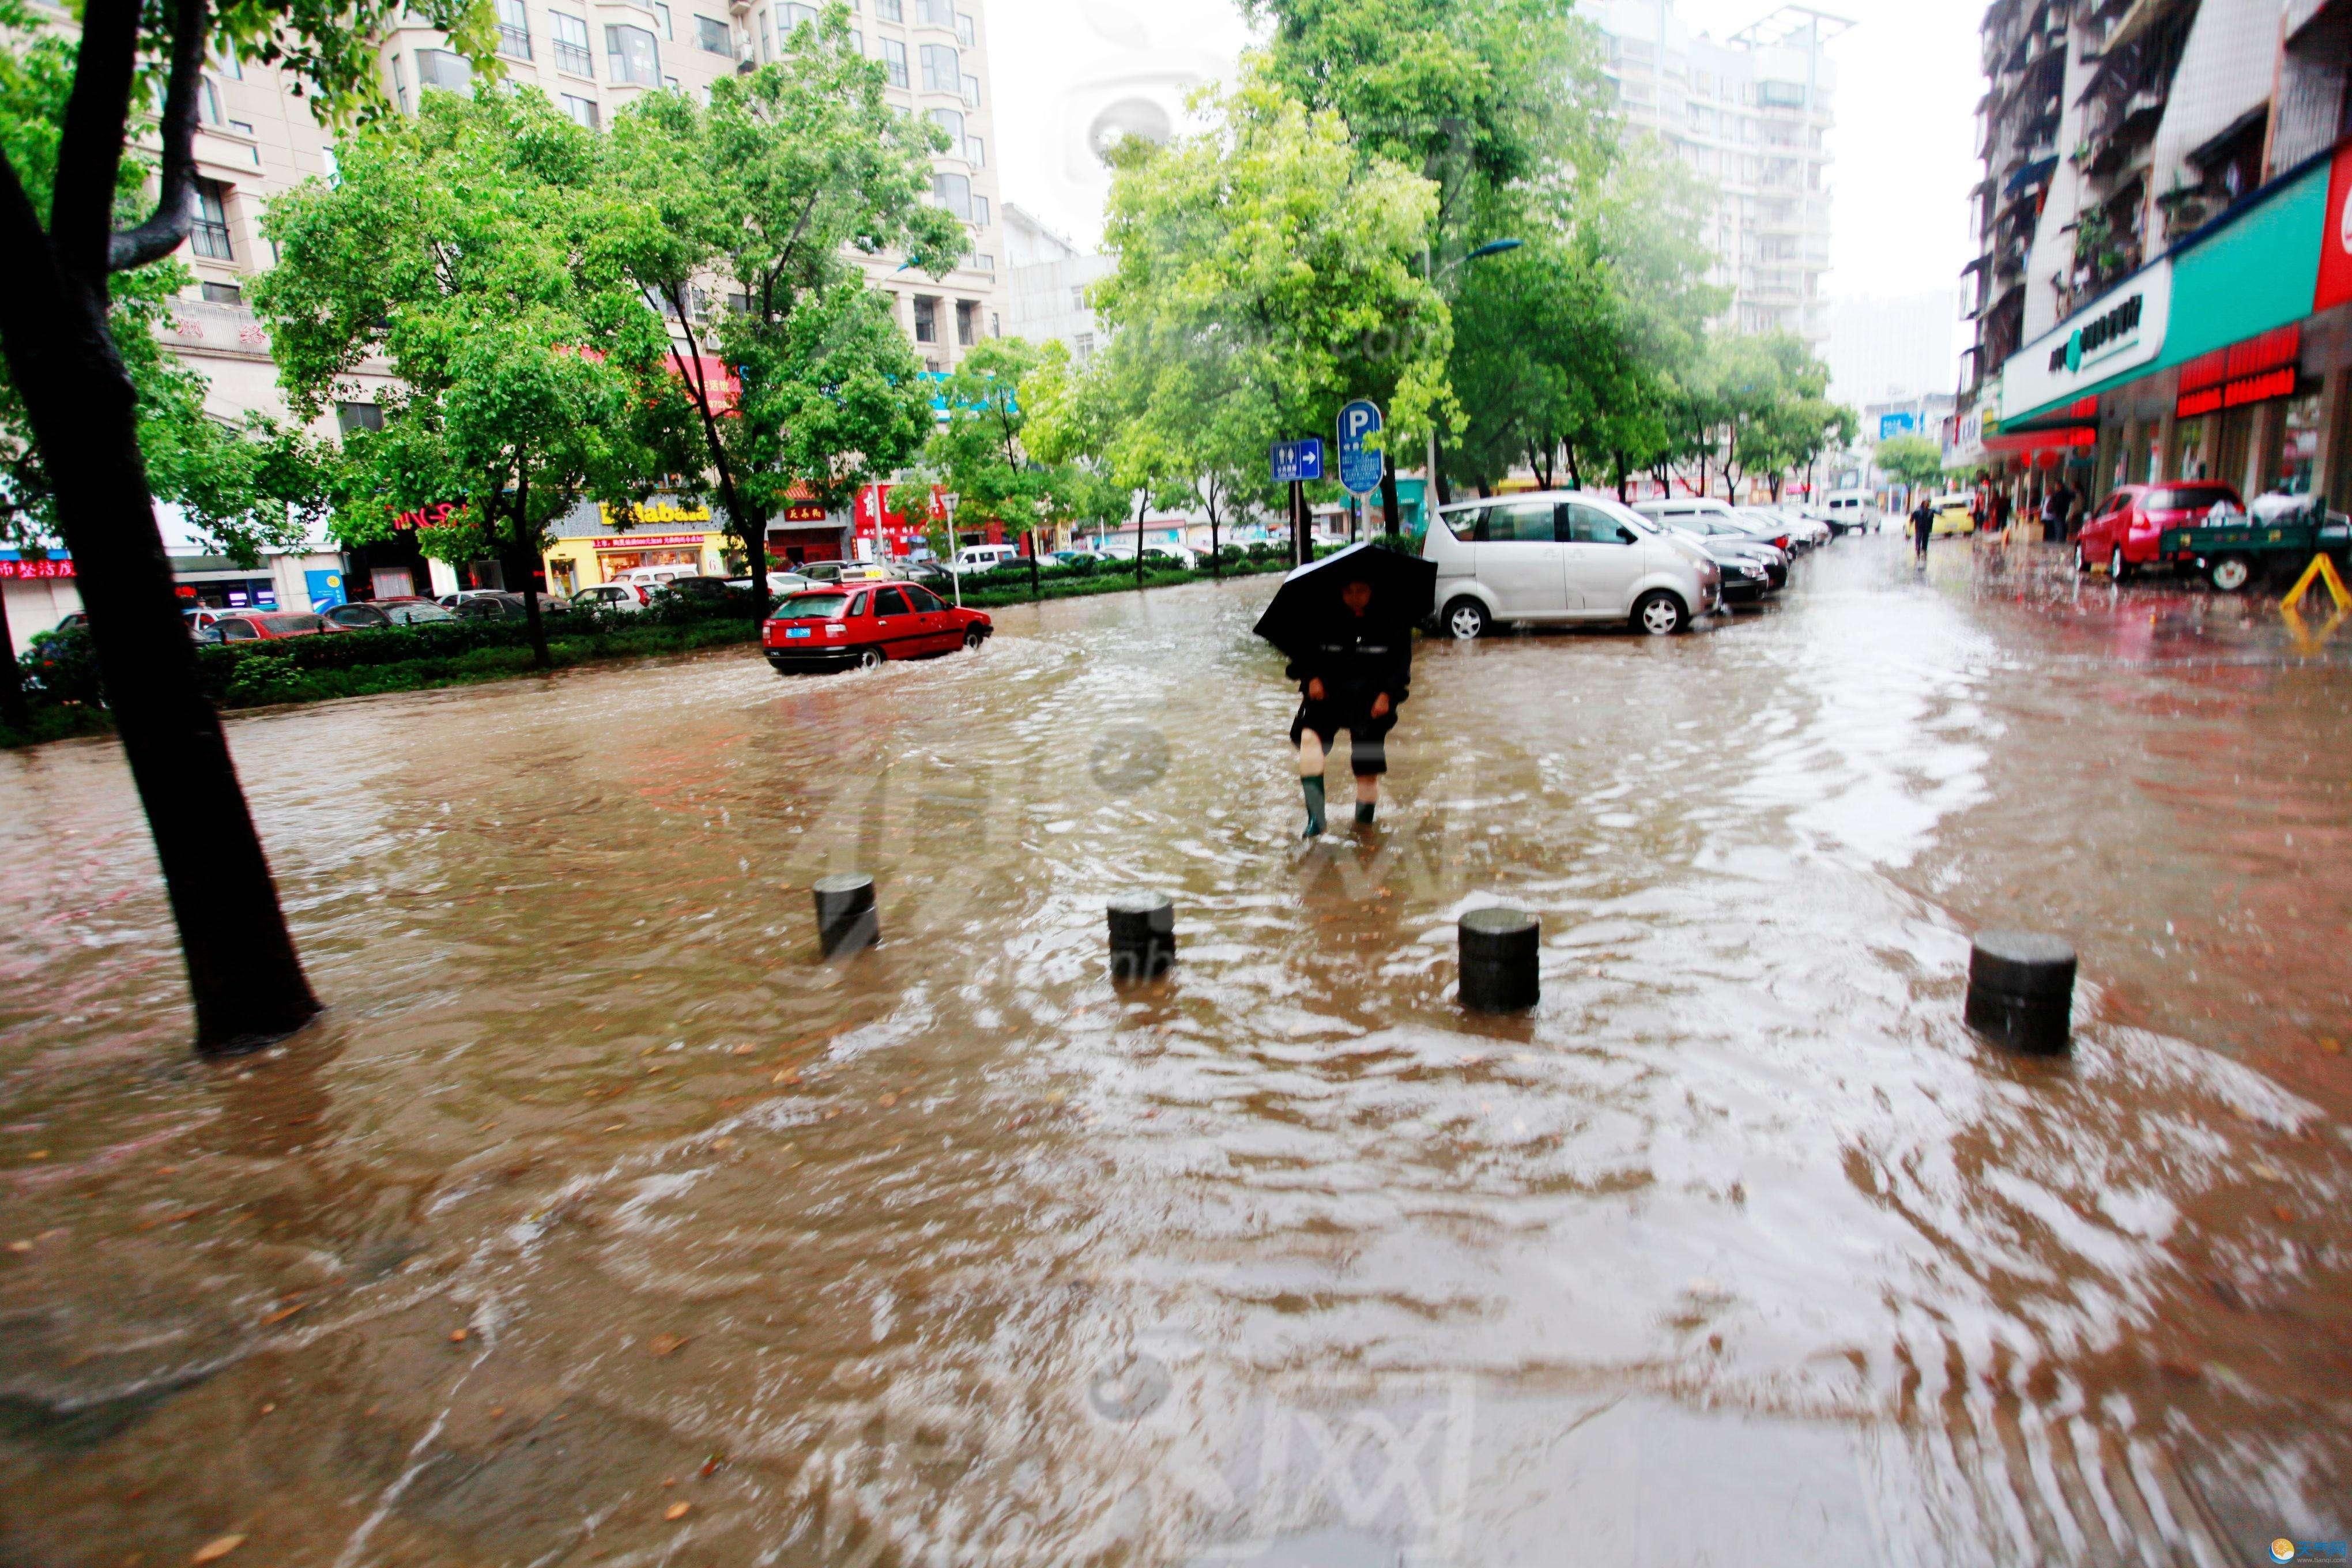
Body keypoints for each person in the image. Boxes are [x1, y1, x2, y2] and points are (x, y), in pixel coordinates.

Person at [1289, 578, 1411, 837]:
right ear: (1340, 593)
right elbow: (1301, 652)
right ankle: (1316, 819)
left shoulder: (1394, 622)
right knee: (1310, 742)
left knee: (1367, 768)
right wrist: (1311, 678)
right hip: (1325, 697)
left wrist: (1387, 695)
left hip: (1371, 700)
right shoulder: (1319, 617)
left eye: (1362, 591)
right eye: (1348, 591)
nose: (1355, 597)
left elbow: (1401, 665)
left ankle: (1364, 827)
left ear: (1372, 592)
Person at [1909, 492, 1935, 563]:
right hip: (1919, 528)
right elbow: (1912, 518)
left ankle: (1924, 552)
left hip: (1926, 529)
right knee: (1918, 540)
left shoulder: (1930, 511)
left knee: (1925, 541)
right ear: (1923, 502)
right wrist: (1911, 521)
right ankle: (1918, 552)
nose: (1928, 503)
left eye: (1929, 502)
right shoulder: (1917, 510)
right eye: (1927, 502)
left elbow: (1932, 519)